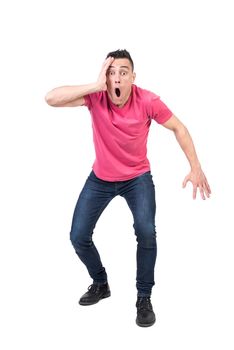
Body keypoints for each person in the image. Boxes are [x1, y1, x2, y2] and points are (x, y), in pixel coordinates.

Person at [45, 49, 211, 327]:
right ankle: (101, 283)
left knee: (146, 232)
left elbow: (179, 128)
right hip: (100, 178)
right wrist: (95, 85)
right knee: (78, 236)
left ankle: (143, 297)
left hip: (137, 178)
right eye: (111, 73)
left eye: (123, 72)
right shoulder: (95, 97)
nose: (117, 78)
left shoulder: (147, 100)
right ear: (105, 78)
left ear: (133, 77)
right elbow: (51, 98)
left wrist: (195, 166)